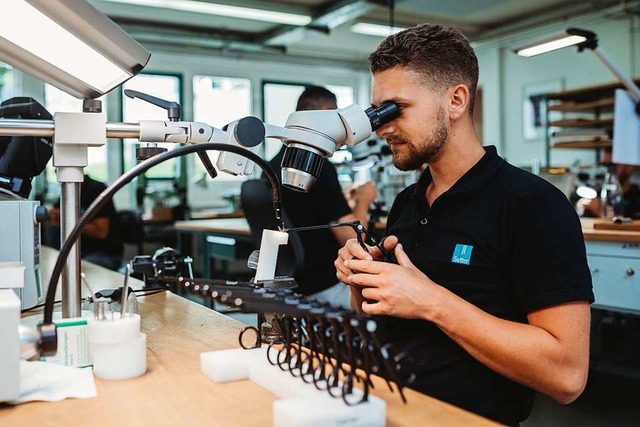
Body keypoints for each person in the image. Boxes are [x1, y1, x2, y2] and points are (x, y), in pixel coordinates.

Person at [334, 24, 594, 425]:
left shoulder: (533, 205)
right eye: (376, 112)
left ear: (456, 100)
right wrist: (363, 282)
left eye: (395, 108)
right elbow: (385, 319)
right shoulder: (408, 200)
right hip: (386, 408)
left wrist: (431, 301)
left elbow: (567, 376)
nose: (382, 127)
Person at [265, 86, 377, 308]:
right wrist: (364, 199)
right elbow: (353, 239)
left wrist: (344, 201)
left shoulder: (273, 166)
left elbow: (310, 210)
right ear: (326, 113)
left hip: (291, 287)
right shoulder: (317, 168)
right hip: (324, 286)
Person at [49, 175, 123, 270]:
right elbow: (53, 217)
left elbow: (101, 232)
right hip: (77, 252)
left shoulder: (97, 190)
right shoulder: (68, 189)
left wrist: (67, 218)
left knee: (76, 268)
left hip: (103, 253)